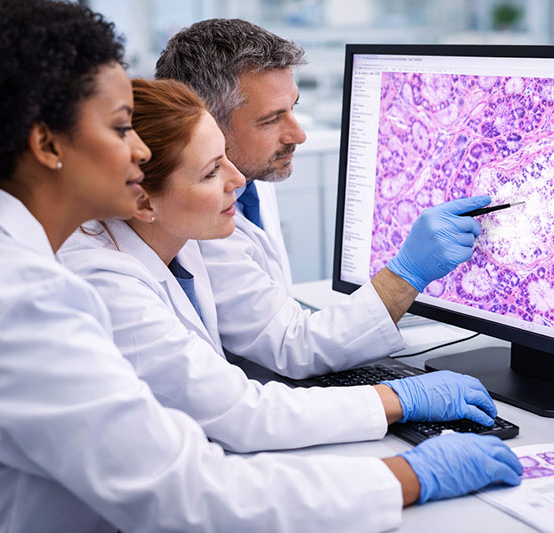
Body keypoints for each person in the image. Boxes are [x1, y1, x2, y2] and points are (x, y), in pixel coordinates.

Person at [0, 2, 521, 532]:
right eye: (120, 127)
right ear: (46, 144)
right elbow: (191, 495)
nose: (139, 150)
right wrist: (410, 477)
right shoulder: (19, 300)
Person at [60, 77, 506, 454]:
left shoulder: (176, 237)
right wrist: (397, 400)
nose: (237, 179)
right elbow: (242, 414)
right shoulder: (106, 283)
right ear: (142, 201)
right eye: (212, 171)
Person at [155, 18, 492, 378]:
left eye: (293, 108)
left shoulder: (252, 175)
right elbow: (292, 346)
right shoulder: (191, 217)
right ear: (206, 126)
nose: (298, 134)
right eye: (271, 120)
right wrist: (407, 273)